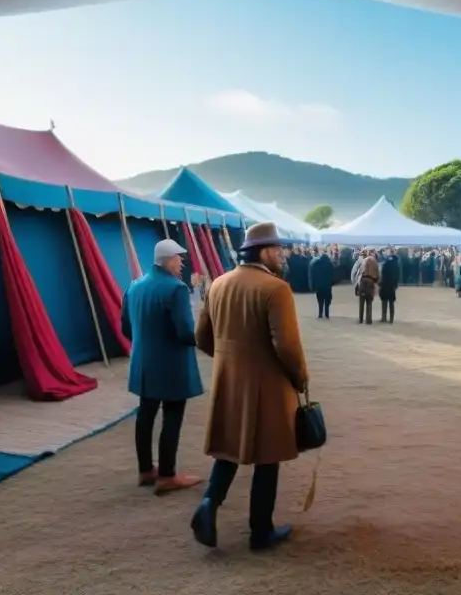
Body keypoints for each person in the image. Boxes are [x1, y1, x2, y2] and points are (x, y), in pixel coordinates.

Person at [191, 222, 309, 552]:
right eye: (279, 250)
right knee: (267, 457)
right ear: (266, 252)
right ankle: (261, 532)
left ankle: (209, 503)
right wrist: (300, 379)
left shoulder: (218, 284)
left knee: (229, 450)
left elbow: (202, 337)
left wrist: (232, 361)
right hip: (267, 386)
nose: (283, 256)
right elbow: (286, 346)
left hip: (228, 382)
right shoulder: (276, 288)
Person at [122, 239, 204, 494]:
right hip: (171, 366)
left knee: (145, 415)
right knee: (172, 416)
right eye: (180, 258)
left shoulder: (134, 286)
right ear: (169, 259)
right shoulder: (176, 289)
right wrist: (208, 336)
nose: (182, 263)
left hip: (143, 364)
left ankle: (146, 470)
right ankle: (167, 475)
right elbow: (184, 333)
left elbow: (126, 328)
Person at [309, 248, 335, 319]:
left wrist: (314, 284)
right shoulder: (330, 264)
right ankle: (327, 313)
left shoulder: (316, 264)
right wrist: (332, 283)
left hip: (319, 285)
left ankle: (320, 313)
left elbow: (313, 274)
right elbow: (333, 275)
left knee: (320, 300)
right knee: (327, 300)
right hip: (327, 285)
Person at [357, 248, 380, 324]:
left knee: (361, 302)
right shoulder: (375, 262)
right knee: (369, 303)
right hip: (371, 283)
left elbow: (360, 272)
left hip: (363, 281)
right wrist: (376, 283)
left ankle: (360, 319)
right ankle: (368, 320)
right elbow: (377, 275)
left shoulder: (364, 261)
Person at [379, 248, 400, 323]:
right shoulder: (396, 262)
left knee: (385, 301)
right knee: (391, 301)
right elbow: (398, 274)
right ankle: (391, 319)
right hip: (392, 285)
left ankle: (384, 317)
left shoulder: (387, 262)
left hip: (385, 284)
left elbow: (383, 273)